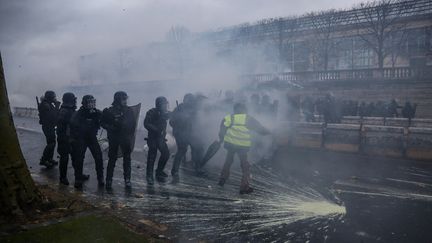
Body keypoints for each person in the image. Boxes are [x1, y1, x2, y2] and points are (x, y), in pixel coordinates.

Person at [218, 103, 270, 194]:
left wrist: (221, 139)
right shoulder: (248, 119)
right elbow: (260, 129)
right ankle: (244, 187)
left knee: (228, 161)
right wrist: (269, 132)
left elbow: (222, 129)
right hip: (242, 146)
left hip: (230, 144)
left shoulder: (229, 117)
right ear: (244, 109)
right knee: (245, 166)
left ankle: (222, 179)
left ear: (235, 109)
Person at [101, 91, 135, 190]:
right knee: (112, 158)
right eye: (123, 99)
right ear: (118, 100)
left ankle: (127, 179)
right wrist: (110, 127)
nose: (125, 101)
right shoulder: (109, 111)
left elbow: (133, 123)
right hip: (114, 137)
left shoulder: (129, 110)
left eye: (126, 99)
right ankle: (109, 180)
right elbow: (102, 123)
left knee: (127, 159)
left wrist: (129, 133)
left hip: (125, 137)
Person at [70, 95, 104, 189]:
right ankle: (78, 179)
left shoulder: (97, 112)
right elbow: (72, 125)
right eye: (89, 102)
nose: (91, 104)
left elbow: (105, 120)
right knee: (79, 159)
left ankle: (100, 178)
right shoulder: (79, 113)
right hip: (81, 138)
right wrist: (73, 139)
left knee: (98, 157)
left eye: (93, 102)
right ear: (84, 103)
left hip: (92, 138)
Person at [170, 94, 205, 181]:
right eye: (188, 100)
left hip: (191, 133)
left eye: (191, 100)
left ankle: (198, 168)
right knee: (182, 151)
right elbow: (171, 122)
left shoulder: (194, 109)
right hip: (180, 133)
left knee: (197, 148)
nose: (190, 102)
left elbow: (197, 121)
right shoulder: (179, 109)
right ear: (185, 100)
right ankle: (174, 170)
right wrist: (180, 122)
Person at [144, 96, 170, 185]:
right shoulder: (151, 112)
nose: (166, 105)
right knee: (152, 156)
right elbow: (146, 123)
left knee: (166, 154)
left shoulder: (164, 113)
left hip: (161, 138)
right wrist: (156, 129)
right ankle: (149, 175)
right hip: (153, 138)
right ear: (159, 104)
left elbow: (171, 116)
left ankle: (159, 171)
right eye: (164, 104)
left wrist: (177, 113)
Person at [56, 92, 77, 185]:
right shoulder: (64, 110)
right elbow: (60, 124)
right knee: (64, 158)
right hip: (64, 137)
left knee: (76, 157)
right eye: (73, 99)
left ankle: (78, 174)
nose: (75, 101)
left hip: (71, 137)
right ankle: (62, 177)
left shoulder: (70, 110)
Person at [38, 90, 60, 168]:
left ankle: (49, 159)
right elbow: (53, 116)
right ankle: (43, 160)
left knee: (52, 142)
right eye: (54, 97)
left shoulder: (48, 104)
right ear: (50, 97)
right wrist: (57, 106)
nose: (55, 98)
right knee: (51, 143)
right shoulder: (46, 105)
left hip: (49, 126)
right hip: (48, 126)